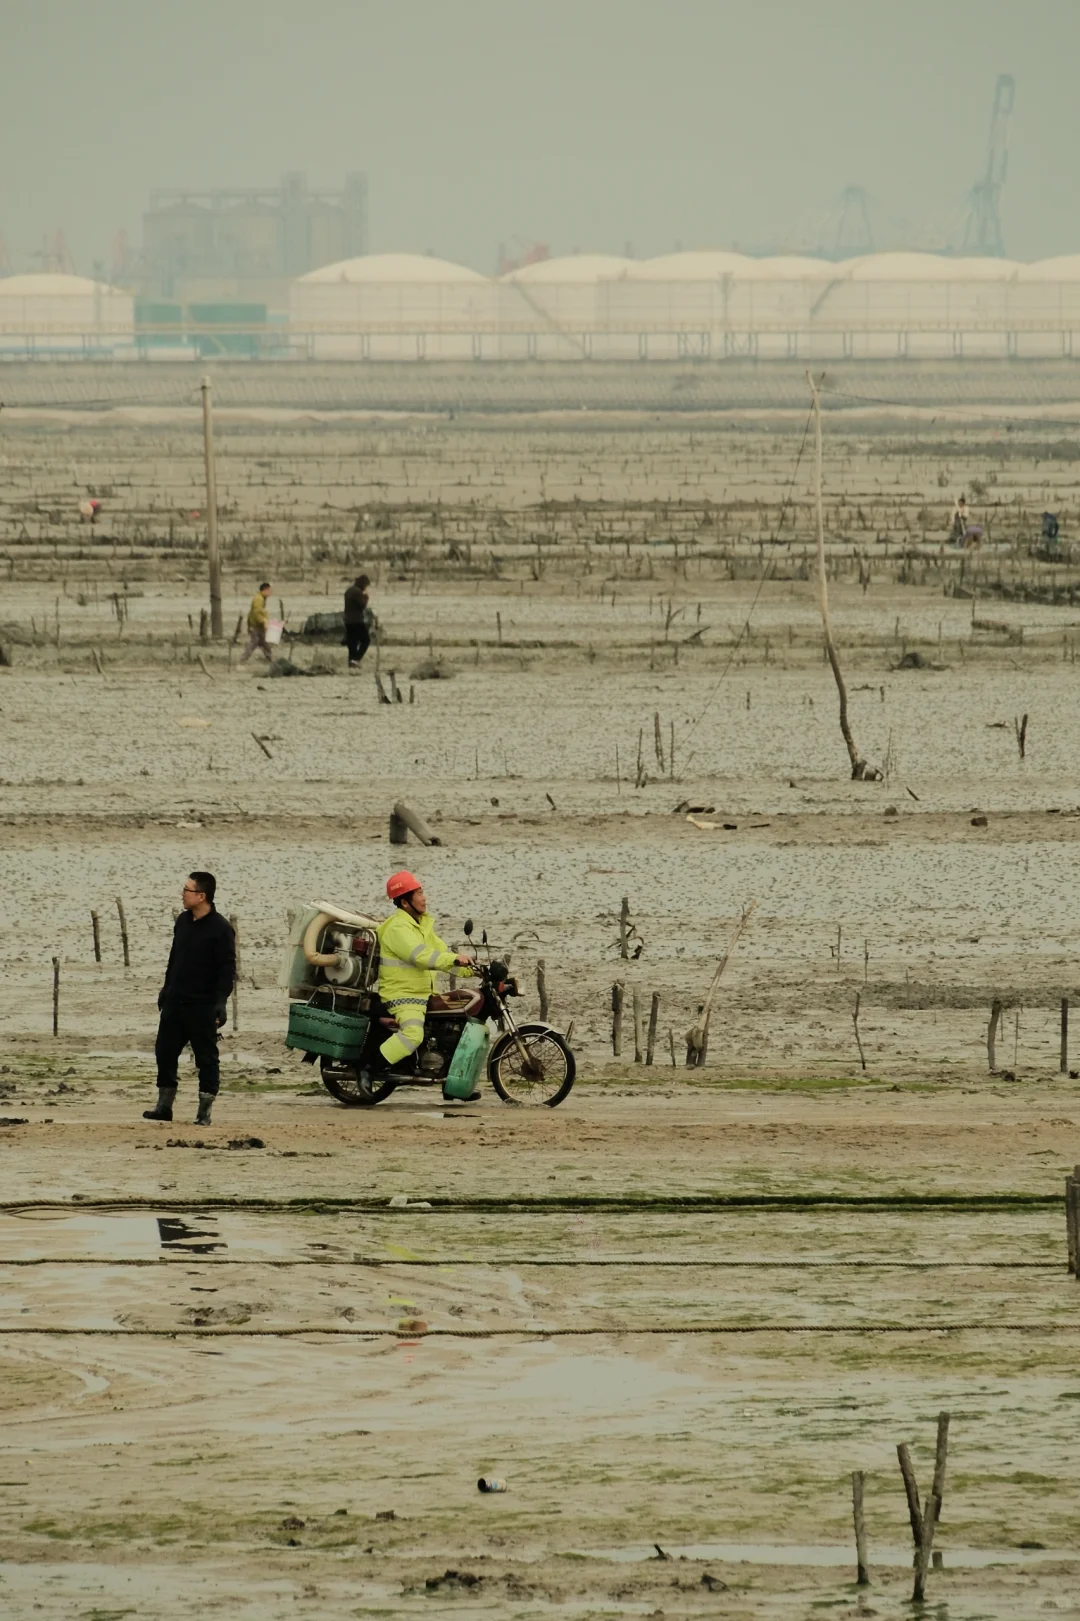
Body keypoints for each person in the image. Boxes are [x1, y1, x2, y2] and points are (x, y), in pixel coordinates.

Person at [144, 872, 236, 1125]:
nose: (182, 894)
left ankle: (204, 1112)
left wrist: (221, 1003)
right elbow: (175, 959)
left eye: (187, 890)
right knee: (164, 1051)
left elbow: (227, 969)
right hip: (175, 1001)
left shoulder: (221, 928)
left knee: (206, 1057)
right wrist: (166, 988)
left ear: (202, 896)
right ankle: (164, 1106)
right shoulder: (183, 921)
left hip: (202, 1005)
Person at [375, 872, 474, 1099]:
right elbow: (421, 957)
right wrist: (452, 960)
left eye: (422, 892)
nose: (424, 898)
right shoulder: (397, 928)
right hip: (401, 995)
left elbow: (441, 953)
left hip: (422, 993)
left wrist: (471, 967)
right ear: (404, 901)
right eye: (419, 893)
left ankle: (451, 1087)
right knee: (412, 1034)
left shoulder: (421, 925)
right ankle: (373, 1068)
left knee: (455, 1026)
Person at [343, 573, 373, 667]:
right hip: (357, 621)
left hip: (348, 621)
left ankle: (351, 662)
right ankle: (356, 660)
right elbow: (362, 605)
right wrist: (366, 598)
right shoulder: (357, 592)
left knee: (352, 642)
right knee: (366, 640)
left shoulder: (348, 591)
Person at [241, 581, 273, 663]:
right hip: (255, 626)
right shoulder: (258, 599)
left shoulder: (261, 598)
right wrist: (264, 621)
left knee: (265, 644)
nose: (270, 593)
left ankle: (271, 661)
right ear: (265, 590)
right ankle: (242, 661)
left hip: (258, 626)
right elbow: (257, 613)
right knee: (254, 643)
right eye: (269, 590)